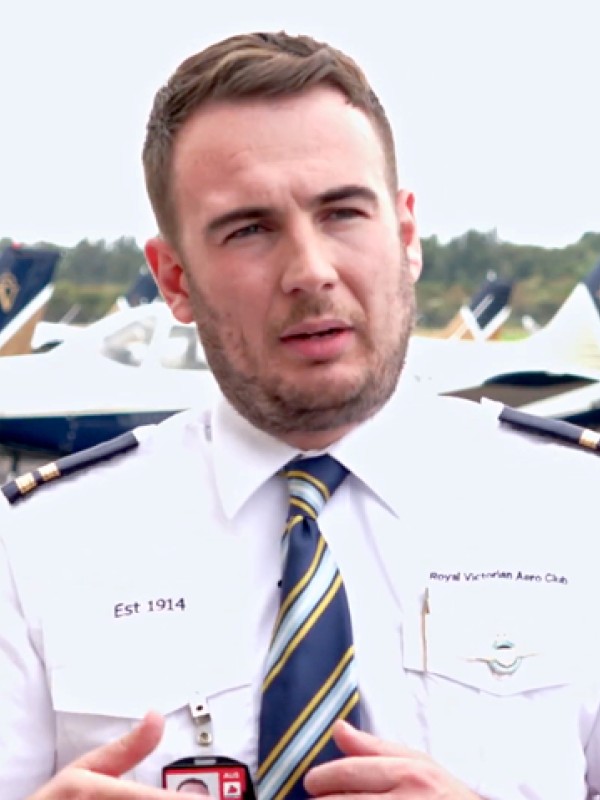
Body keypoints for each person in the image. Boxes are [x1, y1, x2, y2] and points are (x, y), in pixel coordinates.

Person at [1, 30, 600, 800]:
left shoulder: (578, 512)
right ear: (173, 278)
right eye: (249, 229)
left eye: (344, 212)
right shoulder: (37, 551)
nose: (311, 272)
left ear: (407, 236)